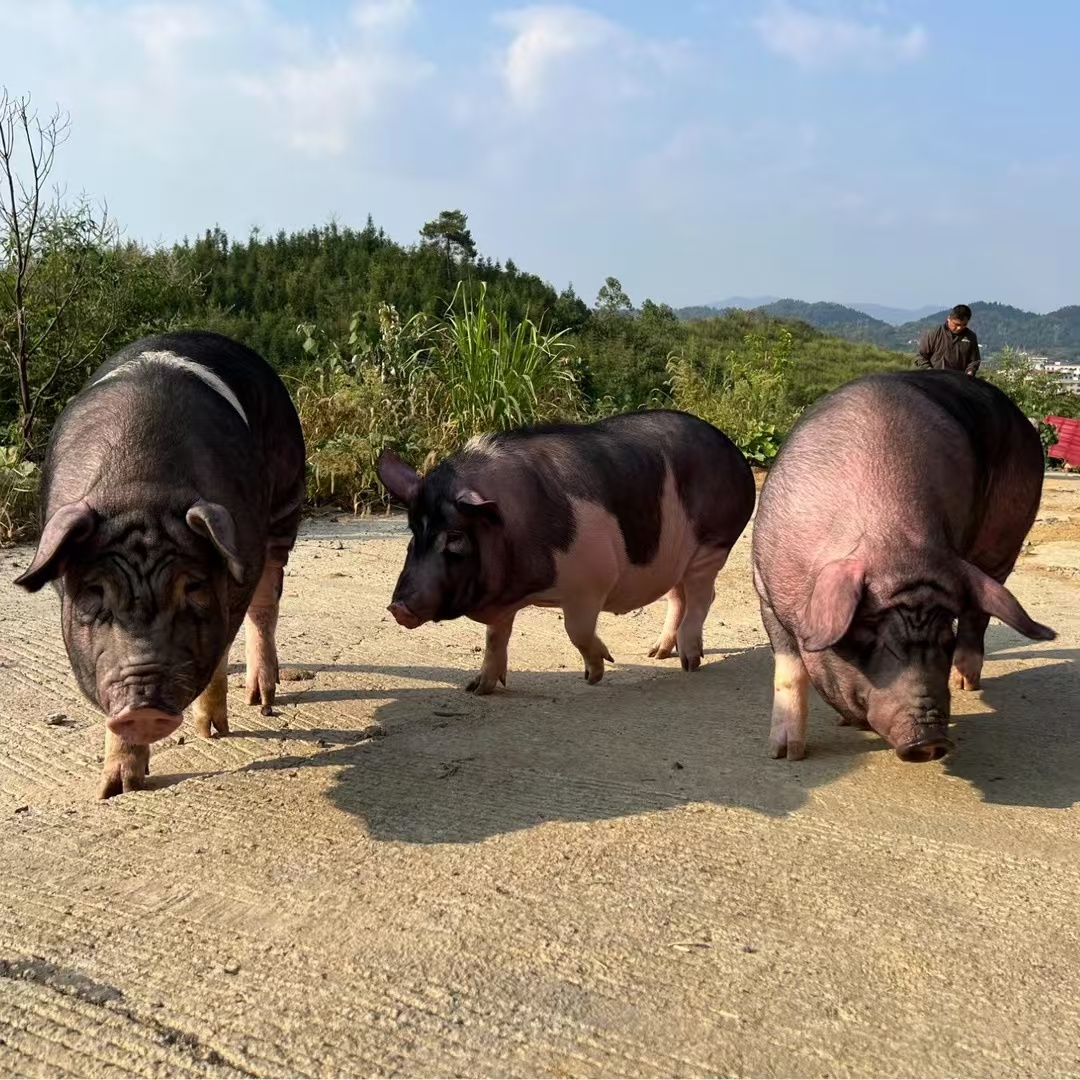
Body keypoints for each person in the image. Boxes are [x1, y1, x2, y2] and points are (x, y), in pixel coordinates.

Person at [915, 304, 981, 375]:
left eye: (964, 325)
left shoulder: (970, 337)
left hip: (959, 381)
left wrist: (970, 372)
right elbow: (920, 357)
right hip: (934, 380)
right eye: (956, 324)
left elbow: (974, 360)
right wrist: (930, 371)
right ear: (949, 319)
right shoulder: (934, 334)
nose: (959, 328)